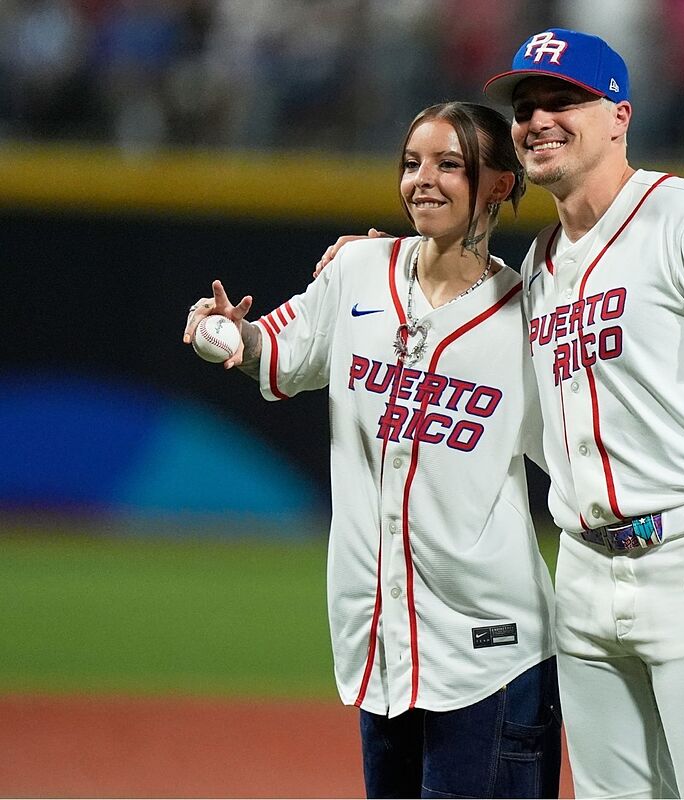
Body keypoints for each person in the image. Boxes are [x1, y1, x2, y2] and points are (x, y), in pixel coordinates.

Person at [182, 101, 560, 798]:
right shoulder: (357, 270)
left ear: (499, 185)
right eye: (412, 163)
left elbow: (580, 458)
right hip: (384, 645)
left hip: (492, 657)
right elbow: (274, 353)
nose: (424, 180)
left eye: (450, 165)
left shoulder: (531, 318)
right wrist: (218, 330)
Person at [484, 27, 684, 798]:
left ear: (619, 116)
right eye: (525, 106)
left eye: (564, 100)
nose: (538, 120)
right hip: (584, 571)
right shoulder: (537, 266)